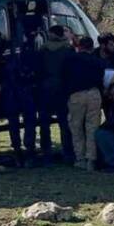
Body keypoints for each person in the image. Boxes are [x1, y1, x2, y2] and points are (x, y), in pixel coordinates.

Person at [62, 36, 106, 170]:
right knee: (92, 127)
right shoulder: (97, 61)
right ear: (92, 48)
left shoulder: (70, 60)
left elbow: (64, 77)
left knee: (76, 128)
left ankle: (80, 158)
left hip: (76, 95)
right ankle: (91, 160)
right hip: (94, 94)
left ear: (79, 47)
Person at [1, 25, 40, 162]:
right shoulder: (27, 49)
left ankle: (17, 148)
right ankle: (29, 148)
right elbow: (34, 69)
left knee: (13, 122)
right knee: (29, 119)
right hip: (24, 90)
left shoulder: (4, 49)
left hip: (9, 91)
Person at [38, 25, 75, 163]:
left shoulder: (43, 49)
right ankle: (68, 152)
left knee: (44, 122)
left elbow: (39, 70)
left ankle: (46, 152)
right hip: (62, 89)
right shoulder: (68, 49)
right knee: (64, 122)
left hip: (46, 88)